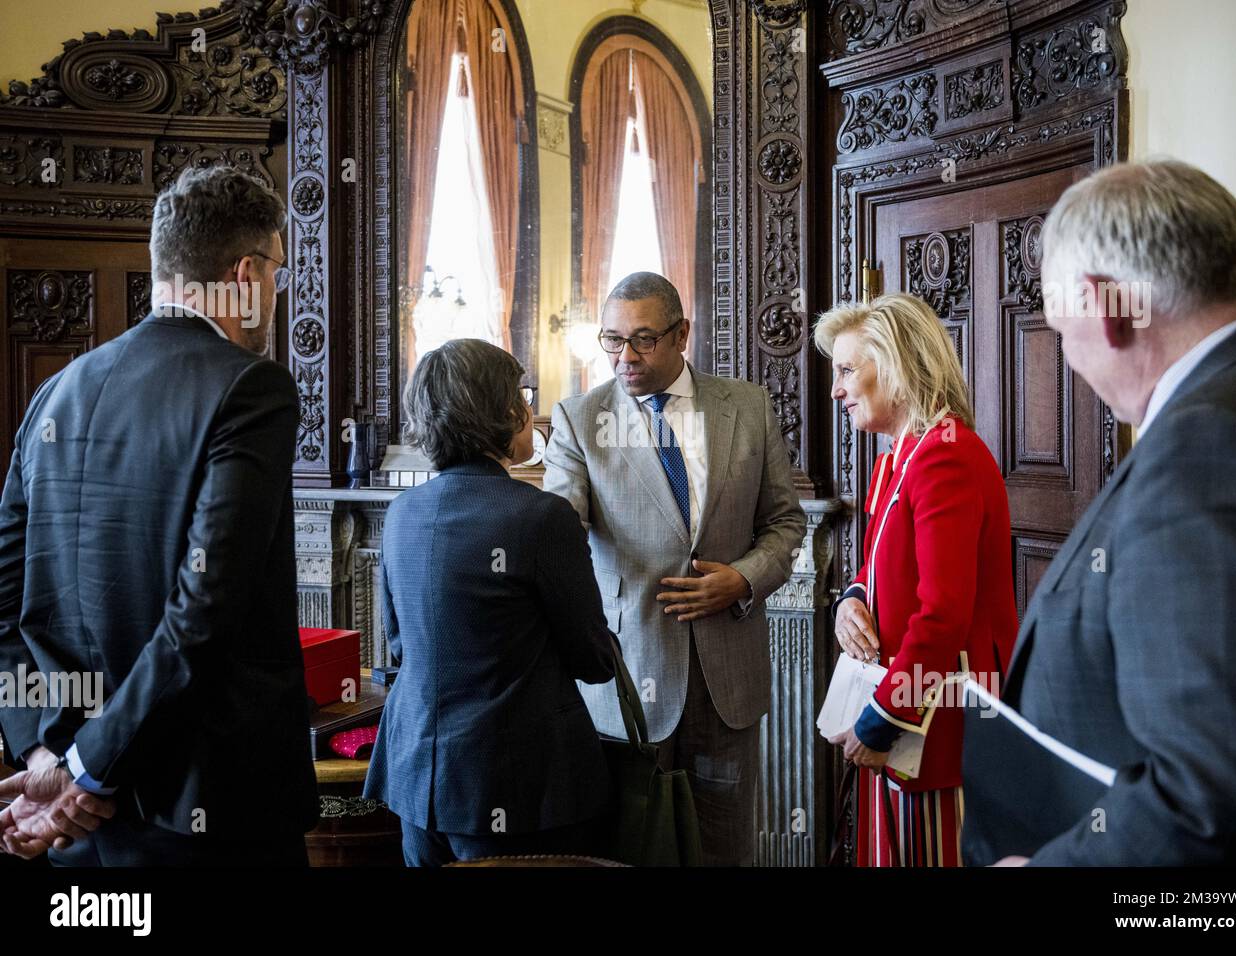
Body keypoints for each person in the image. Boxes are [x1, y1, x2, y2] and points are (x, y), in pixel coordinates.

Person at [963, 159, 1236, 865]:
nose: (1072, 361)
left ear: (1105, 307)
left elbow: (1215, 790)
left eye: (1061, 329)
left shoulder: (1208, 447)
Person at [0, 165, 319, 865]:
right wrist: (85, 768)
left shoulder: (55, 392)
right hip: (207, 813)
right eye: (278, 273)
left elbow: (5, 601)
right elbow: (204, 610)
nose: (276, 292)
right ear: (244, 273)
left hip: (79, 823)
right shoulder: (251, 388)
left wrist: (46, 753)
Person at [544, 271, 805, 866]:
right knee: (632, 849)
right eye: (611, 340)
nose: (624, 357)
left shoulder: (748, 406)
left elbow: (786, 524)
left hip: (727, 681)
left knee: (722, 847)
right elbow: (559, 530)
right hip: (629, 678)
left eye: (642, 339)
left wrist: (743, 578)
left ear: (682, 333)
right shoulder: (580, 419)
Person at [364, 339, 617, 866]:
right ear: (502, 412)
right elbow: (593, 661)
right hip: (516, 788)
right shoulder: (541, 517)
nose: (529, 409)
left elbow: (399, 647)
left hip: (417, 782)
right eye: (523, 397)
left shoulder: (402, 514)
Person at [816, 293, 1018, 867]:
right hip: (912, 703)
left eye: (849, 370)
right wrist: (853, 598)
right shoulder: (899, 457)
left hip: (939, 717)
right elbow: (879, 563)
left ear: (899, 366)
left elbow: (944, 614)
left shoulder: (943, 456)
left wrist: (882, 715)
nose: (837, 389)